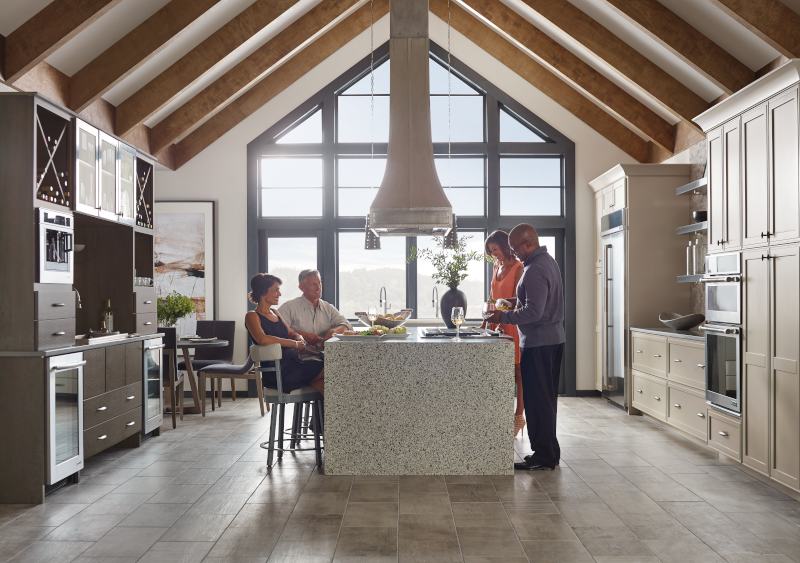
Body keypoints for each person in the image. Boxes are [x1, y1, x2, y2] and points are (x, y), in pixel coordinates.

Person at [486, 224, 565, 470]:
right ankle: (549, 453)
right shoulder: (547, 262)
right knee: (546, 400)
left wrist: (501, 318)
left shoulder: (534, 268)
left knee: (538, 402)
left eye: (515, 247)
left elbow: (533, 311)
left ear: (528, 243)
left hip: (540, 343)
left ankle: (544, 457)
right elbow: (531, 299)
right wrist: (510, 302)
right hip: (551, 340)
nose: (513, 252)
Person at [245, 273, 324, 395]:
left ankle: (331, 414)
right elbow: (262, 339)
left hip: (294, 365)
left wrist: (299, 337)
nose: (279, 294)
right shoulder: (252, 316)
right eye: (275, 290)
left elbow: (291, 333)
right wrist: (293, 344)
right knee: (332, 368)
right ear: (262, 293)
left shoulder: (275, 312)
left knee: (328, 386)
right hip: (278, 372)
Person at [481, 230, 525, 437]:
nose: (493, 254)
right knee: (498, 370)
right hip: (494, 324)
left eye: (495, 250)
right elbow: (492, 298)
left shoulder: (519, 268)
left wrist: (501, 314)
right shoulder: (496, 266)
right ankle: (500, 413)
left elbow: (521, 301)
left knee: (517, 372)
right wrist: (484, 323)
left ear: (504, 246)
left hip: (511, 324)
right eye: (490, 252)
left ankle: (518, 416)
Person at [278, 269, 352, 358]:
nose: (318, 287)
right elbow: (278, 333)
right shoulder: (288, 307)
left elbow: (347, 325)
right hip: (300, 358)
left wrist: (333, 332)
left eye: (319, 283)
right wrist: (302, 335)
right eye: (313, 284)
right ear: (302, 288)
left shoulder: (328, 308)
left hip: (326, 357)